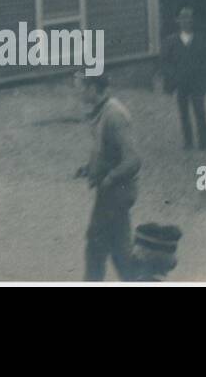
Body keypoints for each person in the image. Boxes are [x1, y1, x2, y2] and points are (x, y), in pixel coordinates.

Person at [76, 72, 141, 281]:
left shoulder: (114, 114)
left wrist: (110, 178)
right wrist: (89, 168)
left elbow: (133, 159)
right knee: (118, 252)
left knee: (97, 248)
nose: (77, 91)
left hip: (116, 194)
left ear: (93, 89)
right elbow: (108, 151)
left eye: (80, 86)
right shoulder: (103, 111)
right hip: (110, 194)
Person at [162, 6, 206, 150]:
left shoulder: (200, 40)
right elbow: (165, 62)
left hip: (196, 83)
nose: (185, 21)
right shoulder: (171, 41)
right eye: (182, 18)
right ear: (178, 21)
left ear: (192, 21)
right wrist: (172, 78)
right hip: (180, 82)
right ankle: (188, 142)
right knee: (183, 113)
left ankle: (204, 142)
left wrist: (203, 80)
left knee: (200, 111)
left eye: (188, 18)